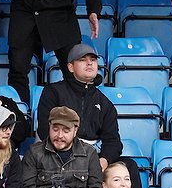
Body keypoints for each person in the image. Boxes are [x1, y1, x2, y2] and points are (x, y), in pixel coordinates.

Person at [20, 106, 103, 188]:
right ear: (49, 126)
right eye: (55, 129)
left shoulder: (89, 153)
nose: (59, 135)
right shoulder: (34, 152)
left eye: (66, 130)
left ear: (75, 130)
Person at [36, 43, 122, 171]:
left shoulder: (105, 103)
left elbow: (113, 142)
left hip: (92, 158)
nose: (89, 63)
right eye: (82, 60)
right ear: (71, 67)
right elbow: (44, 129)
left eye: (93, 60)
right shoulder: (53, 92)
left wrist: (102, 162)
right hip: (58, 153)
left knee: (129, 166)